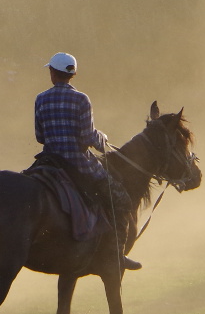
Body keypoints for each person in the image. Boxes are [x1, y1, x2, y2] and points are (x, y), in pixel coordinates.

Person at [33, 53, 142, 270]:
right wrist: (101, 138)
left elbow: (40, 137)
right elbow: (87, 137)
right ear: (72, 74)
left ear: (53, 73)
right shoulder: (82, 99)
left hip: (49, 163)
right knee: (121, 201)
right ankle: (117, 255)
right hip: (79, 165)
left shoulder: (41, 98)